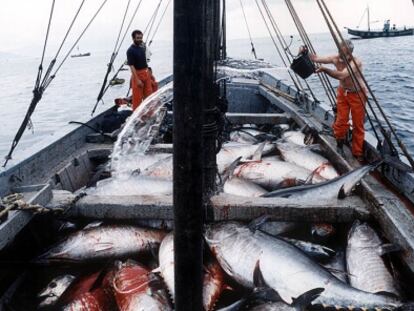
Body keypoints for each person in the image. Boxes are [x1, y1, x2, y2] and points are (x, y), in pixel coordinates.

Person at [303, 40, 367, 161]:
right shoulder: (335, 58)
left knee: (358, 124)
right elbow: (316, 58)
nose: (341, 57)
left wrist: (325, 70)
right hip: (343, 93)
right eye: (339, 53)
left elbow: (342, 75)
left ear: (350, 53)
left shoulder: (355, 62)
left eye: (344, 54)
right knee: (341, 120)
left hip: (357, 94)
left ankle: (357, 152)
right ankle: (339, 146)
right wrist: (305, 53)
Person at [127, 30, 153, 111]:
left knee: (149, 95)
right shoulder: (130, 50)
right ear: (133, 38)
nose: (140, 39)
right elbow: (131, 66)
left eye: (141, 38)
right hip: (138, 74)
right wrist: (137, 80)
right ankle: (136, 118)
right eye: (138, 38)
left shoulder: (142, 47)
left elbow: (145, 60)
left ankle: (149, 114)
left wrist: (149, 72)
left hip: (146, 73)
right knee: (137, 99)